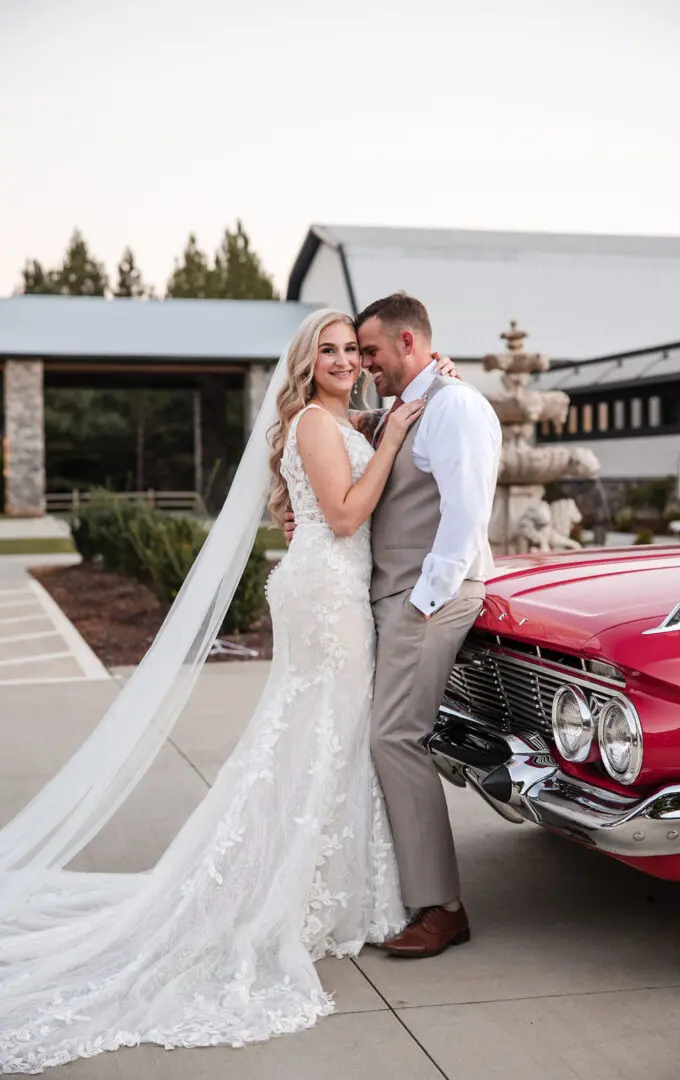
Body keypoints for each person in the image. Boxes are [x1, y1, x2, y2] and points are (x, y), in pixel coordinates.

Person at [0, 308, 456, 1073]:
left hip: (327, 589)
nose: (345, 360)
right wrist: (399, 433)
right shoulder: (316, 421)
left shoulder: (345, 419)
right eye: (331, 351)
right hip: (328, 595)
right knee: (322, 738)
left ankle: (330, 883)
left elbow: (326, 488)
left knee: (329, 740)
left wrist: (411, 408)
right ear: (306, 363)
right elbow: (345, 515)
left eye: (353, 350)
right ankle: (292, 889)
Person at [285, 293, 502, 958]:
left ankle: (441, 906)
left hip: (425, 596)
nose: (362, 364)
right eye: (347, 352)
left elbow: (466, 518)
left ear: (407, 344)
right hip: (389, 593)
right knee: (383, 736)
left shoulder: (456, 406)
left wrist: (422, 603)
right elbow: (356, 435)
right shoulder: (407, 408)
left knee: (394, 738)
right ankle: (404, 889)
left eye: (369, 351)